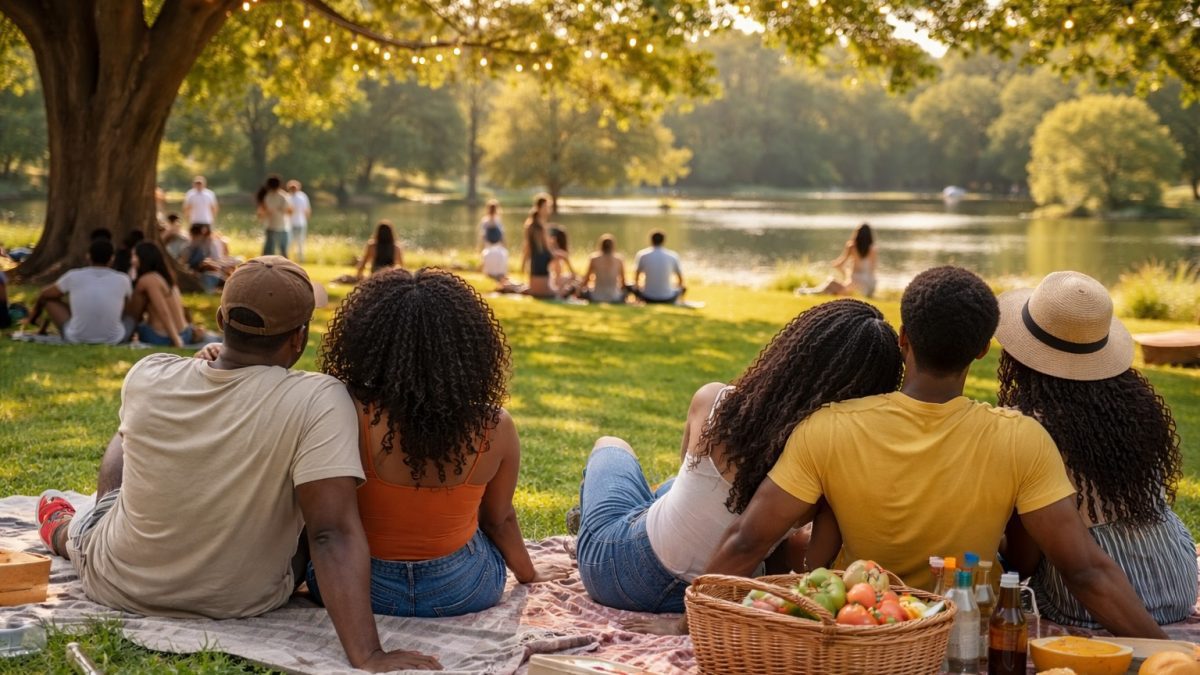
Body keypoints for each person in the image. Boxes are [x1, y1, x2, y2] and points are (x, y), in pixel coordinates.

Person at [695, 266, 1168, 639]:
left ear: (903, 339)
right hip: (960, 629)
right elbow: (1085, 570)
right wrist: (1170, 653)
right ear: (983, 350)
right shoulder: (1022, 438)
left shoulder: (828, 426)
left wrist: (686, 625)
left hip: (860, 623)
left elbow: (747, 541)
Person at [33, 257, 442, 671]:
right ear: (298, 339)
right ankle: (65, 530)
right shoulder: (318, 400)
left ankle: (66, 529)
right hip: (243, 600)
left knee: (116, 476)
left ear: (219, 319)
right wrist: (368, 654)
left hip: (118, 583)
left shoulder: (149, 374)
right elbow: (330, 533)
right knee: (101, 514)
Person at [577, 299, 903, 614]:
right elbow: (814, 564)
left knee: (612, 445)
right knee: (672, 490)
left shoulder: (713, 400)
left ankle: (588, 522)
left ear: (795, 353)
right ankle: (613, 512)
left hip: (625, 573)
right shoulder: (827, 456)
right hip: (728, 591)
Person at [309, 268, 569, 616]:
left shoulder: (343, 410)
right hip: (462, 591)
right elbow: (499, 520)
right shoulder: (496, 426)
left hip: (359, 586)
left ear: (365, 341)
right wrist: (529, 573)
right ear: (470, 349)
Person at [995, 271, 1197, 628]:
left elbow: (1024, 562)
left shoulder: (1027, 428)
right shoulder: (1132, 407)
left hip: (1098, 602)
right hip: (1176, 577)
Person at [27, 239, 132, 344]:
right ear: (112, 258)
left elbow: (44, 294)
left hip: (76, 338)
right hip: (114, 339)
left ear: (88, 256)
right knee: (131, 317)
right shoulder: (123, 279)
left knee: (48, 299)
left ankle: (32, 320)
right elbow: (127, 307)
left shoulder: (73, 276)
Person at [125, 242, 203, 348]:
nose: (131, 260)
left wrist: (176, 340)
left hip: (163, 338)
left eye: (134, 256)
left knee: (131, 318)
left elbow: (163, 311)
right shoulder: (167, 277)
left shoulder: (148, 279)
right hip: (186, 333)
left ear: (143, 257)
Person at [807, 223, 878, 298]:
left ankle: (811, 292)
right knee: (834, 286)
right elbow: (873, 269)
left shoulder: (852, 246)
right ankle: (814, 292)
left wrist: (832, 265)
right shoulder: (873, 249)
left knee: (831, 282)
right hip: (870, 285)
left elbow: (840, 264)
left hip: (854, 284)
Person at [520, 210, 574, 299]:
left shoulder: (533, 253)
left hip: (533, 290)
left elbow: (525, 254)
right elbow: (563, 258)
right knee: (569, 281)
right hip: (547, 292)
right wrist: (573, 273)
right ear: (544, 234)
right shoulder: (548, 254)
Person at [629, 231, 684, 304]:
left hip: (647, 297)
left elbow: (636, 277)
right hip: (668, 297)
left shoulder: (642, 255)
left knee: (630, 286)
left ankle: (637, 301)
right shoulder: (673, 256)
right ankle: (678, 301)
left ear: (651, 240)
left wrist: (640, 286)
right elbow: (680, 280)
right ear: (663, 241)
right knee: (683, 288)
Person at [579, 235, 627, 304]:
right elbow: (623, 282)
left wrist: (579, 289)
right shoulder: (619, 260)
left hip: (596, 297)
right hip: (615, 297)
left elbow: (586, 280)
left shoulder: (594, 259)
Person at [259, 175, 292, 258]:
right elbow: (289, 211)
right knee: (283, 250)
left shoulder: (268, 196)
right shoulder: (283, 196)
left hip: (270, 225)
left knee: (269, 251)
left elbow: (265, 210)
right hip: (282, 226)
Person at [287, 180, 312, 263]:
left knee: (300, 242)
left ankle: (300, 259)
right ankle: (291, 260)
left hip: (300, 223)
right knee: (291, 243)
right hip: (291, 223)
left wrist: (307, 219)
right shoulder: (289, 197)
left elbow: (307, 210)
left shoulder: (301, 196)